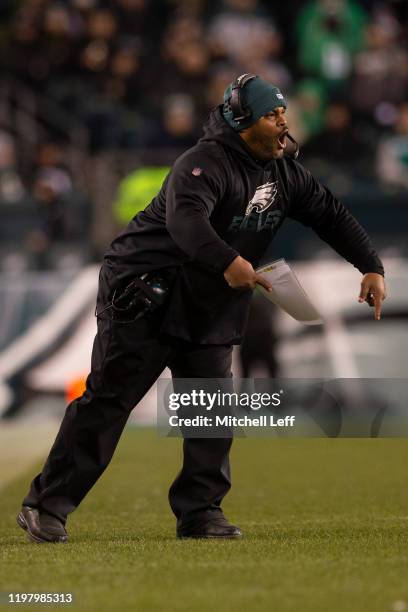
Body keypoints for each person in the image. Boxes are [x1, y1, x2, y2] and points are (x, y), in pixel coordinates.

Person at [17, 74, 386, 543]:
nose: (283, 122)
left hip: (209, 302)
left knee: (210, 409)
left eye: (281, 113)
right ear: (241, 121)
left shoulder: (285, 172)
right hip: (147, 294)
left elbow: (331, 214)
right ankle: (46, 506)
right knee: (109, 402)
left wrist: (370, 265)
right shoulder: (202, 164)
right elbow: (186, 221)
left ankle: (200, 512)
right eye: (271, 114)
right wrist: (228, 260)